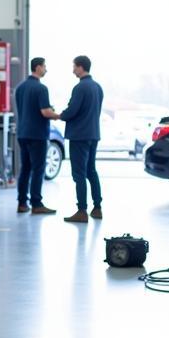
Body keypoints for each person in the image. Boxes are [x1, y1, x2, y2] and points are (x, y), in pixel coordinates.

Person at [60, 55, 104, 223]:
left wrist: (59, 115)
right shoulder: (97, 87)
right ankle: (97, 207)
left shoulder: (80, 88)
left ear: (80, 67)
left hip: (79, 136)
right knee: (91, 171)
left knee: (78, 174)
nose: (73, 71)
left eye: (74, 67)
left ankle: (82, 210)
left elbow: (72, 111)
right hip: (93, 134)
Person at [13, 56, 60, 215]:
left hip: (22, 133)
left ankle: (22, 203)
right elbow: (45, 112)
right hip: (37, 134)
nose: (46, 69)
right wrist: (59, 115)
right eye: (44, 66)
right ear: (38, 67)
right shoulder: (41, 89)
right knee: (38, 169)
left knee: (25, 168)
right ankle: (37, 203)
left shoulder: (20, 87)